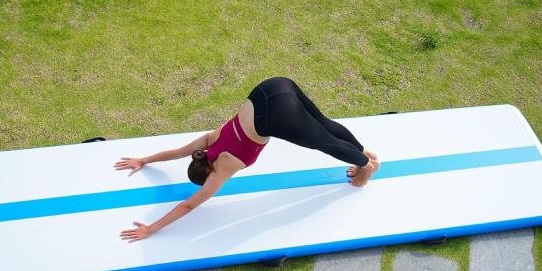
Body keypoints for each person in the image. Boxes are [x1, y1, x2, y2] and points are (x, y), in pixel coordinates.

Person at [115, 76, 380, 242]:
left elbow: (188, 206)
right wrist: (144, 159)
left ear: (206, 174)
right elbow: (176, 153)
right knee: (324, 124)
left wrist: (152, 228)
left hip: (276, 116)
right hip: (270, 88)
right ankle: (363, 153)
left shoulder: (220, 172)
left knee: (324, 142)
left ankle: (367, 166)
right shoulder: (207, 142)